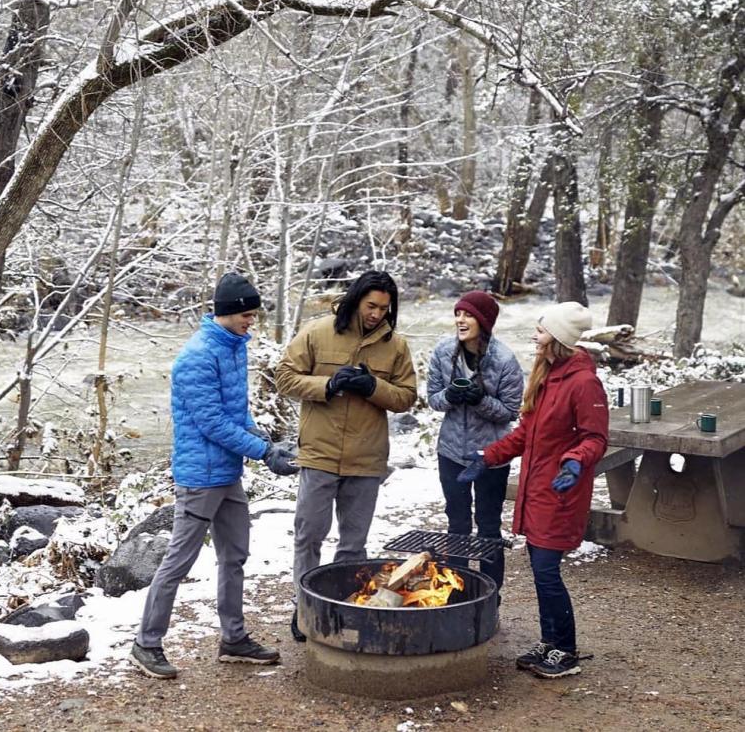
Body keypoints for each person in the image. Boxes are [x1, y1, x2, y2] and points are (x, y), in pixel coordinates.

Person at [130, 272, 296, 679]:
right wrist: (262, 452)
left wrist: (262, 435)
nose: (252, 322)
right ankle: (146, 644)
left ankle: (233, 639)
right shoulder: (197, 356)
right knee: (177, 563)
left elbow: (235, 412)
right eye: (248, 315)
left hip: (227, 474)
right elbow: (211, 423)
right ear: (229, 312)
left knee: (235, 556)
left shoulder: (233, 347)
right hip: (200, 477)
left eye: (255, 316)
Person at [459, 301, 608, 679]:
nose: (534, 336)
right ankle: (550, 642)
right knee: (541, 571)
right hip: (538, 489)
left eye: (541, 330)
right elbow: (525, 434)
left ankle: (566, 649)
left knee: (546, 572)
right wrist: (487, 457)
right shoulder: (547, 375)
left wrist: (575, 461)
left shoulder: (583, 382)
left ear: (557, 338)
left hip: (561, 492)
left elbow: (595, 438)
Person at [275, 270, 417, 642]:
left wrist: (373, 387)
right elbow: (285, 378)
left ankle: (343, 607)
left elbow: (406, 398)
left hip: (366, 459)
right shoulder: (318, 331)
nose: (377, 314)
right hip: (319, 454)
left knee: (354, 544)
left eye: (384, 309)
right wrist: (327, 384)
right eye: (371, 306)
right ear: (356, 300)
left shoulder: (395, 345)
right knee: (309, 536)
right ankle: (304, 607)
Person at [426, 290, 523, 599]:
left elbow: (510, 412)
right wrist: (450, 397)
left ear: (483, 320)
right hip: (451, 451)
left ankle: (490, 594)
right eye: (457, 313)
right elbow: (432, 399)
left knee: (489, 525)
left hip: (491, 455)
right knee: (457, 522)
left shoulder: (505, 359)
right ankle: (457, 592)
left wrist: (481, 400)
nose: (460, 320)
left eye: (467, 315)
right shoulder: (443, 352)